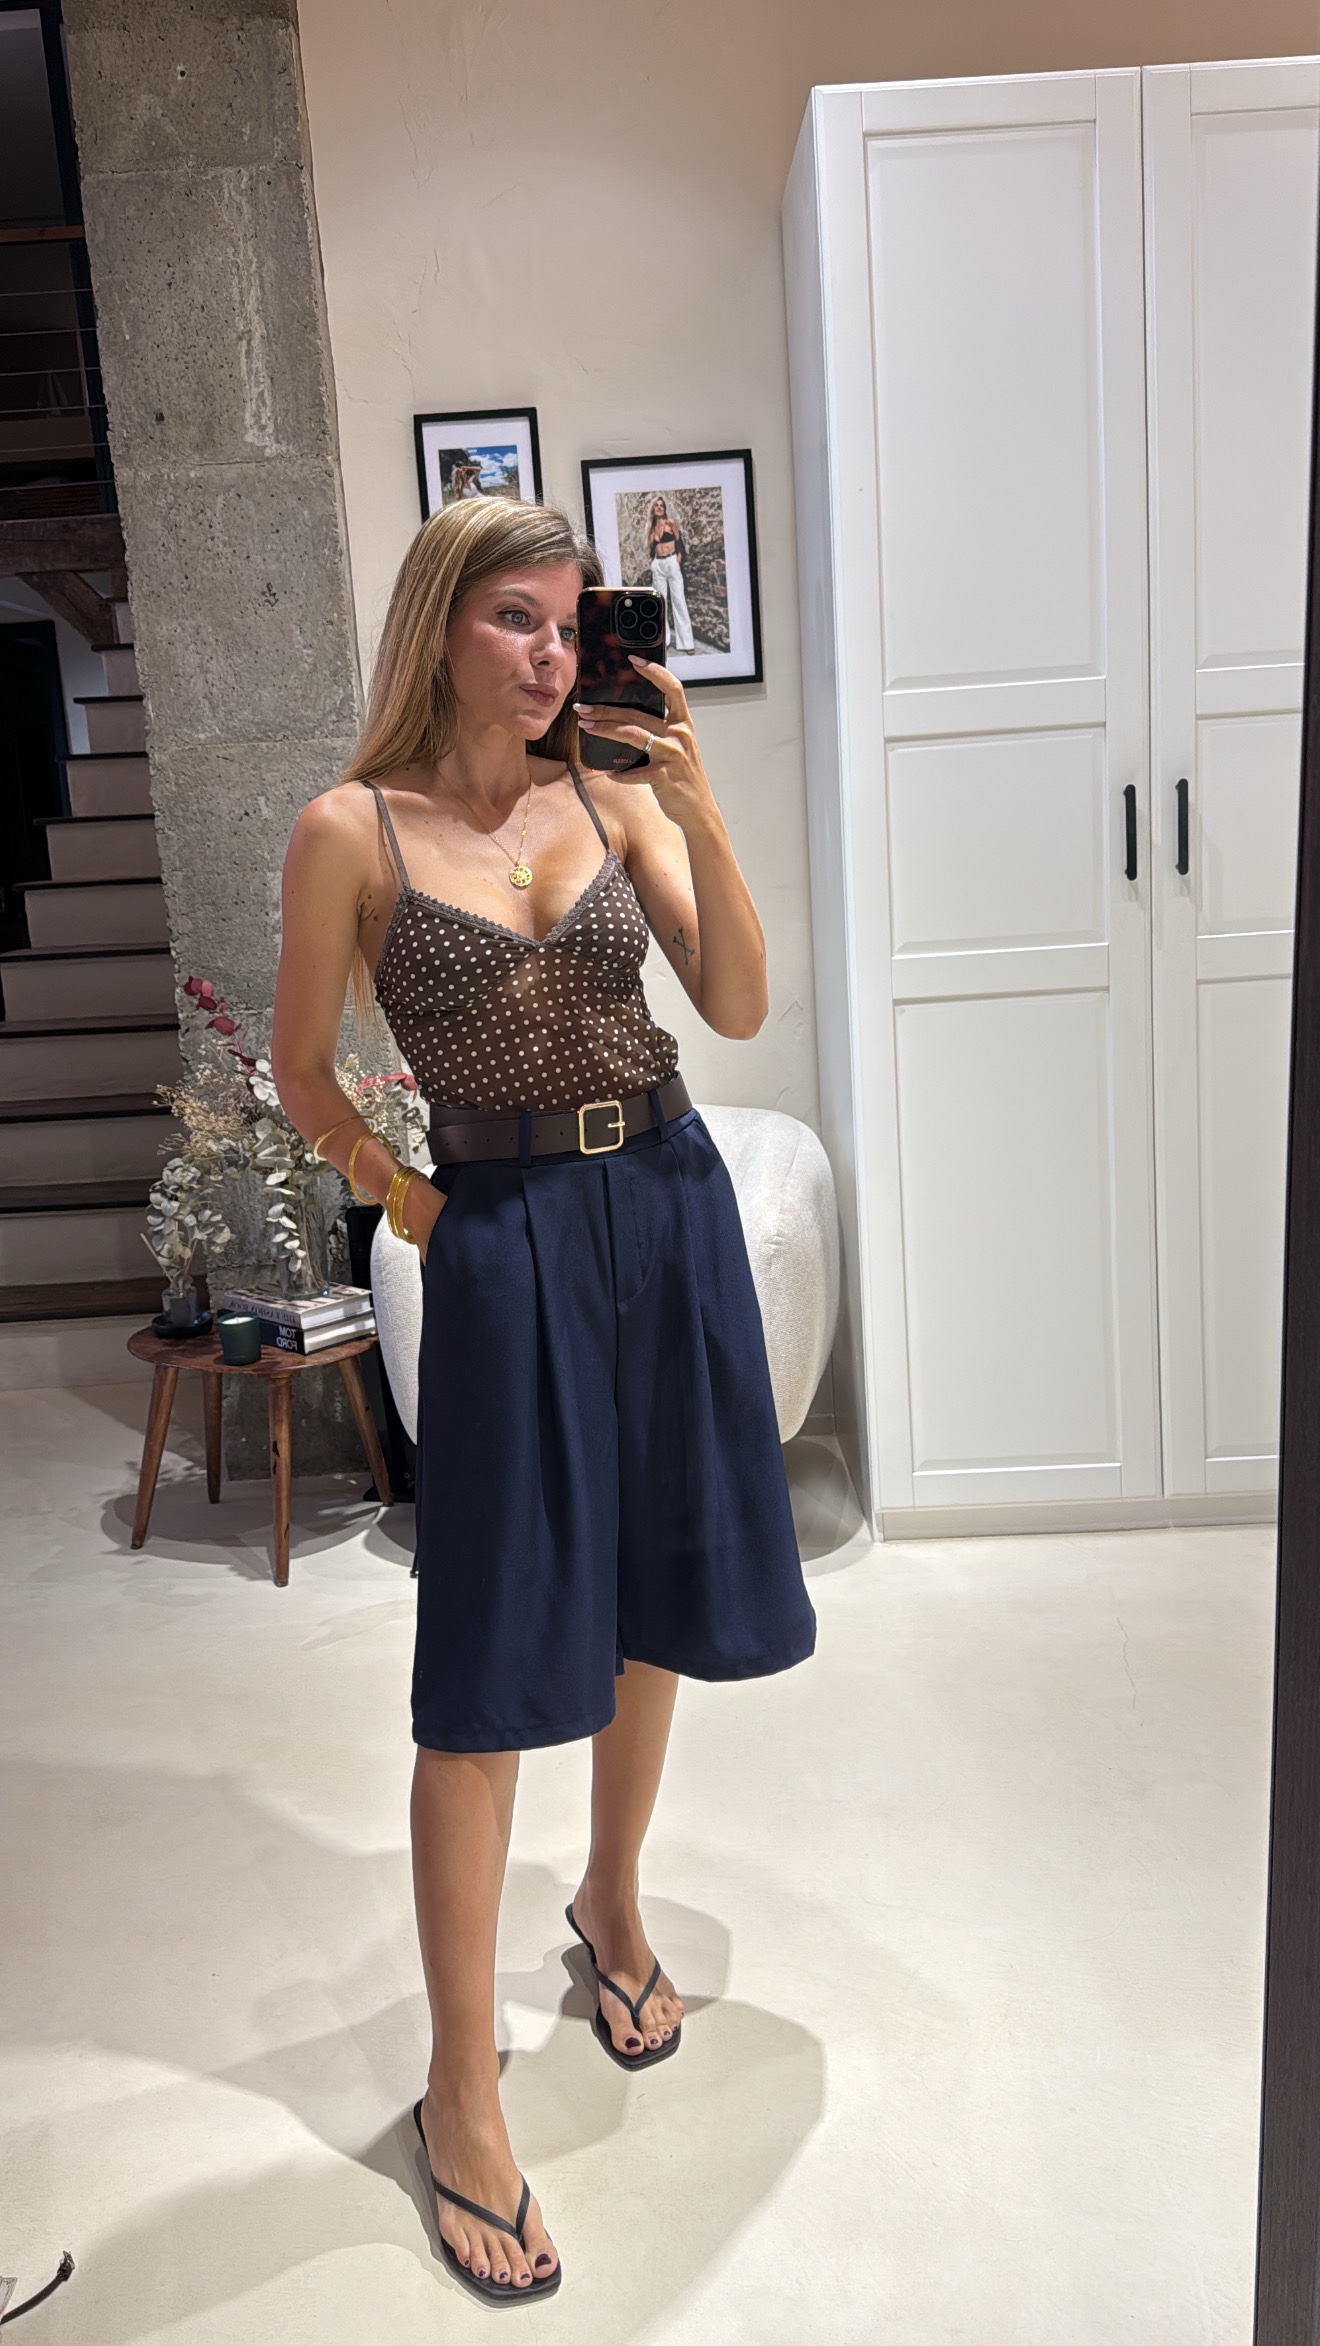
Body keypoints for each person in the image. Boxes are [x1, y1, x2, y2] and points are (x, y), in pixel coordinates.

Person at [270, 498, 815, 2305]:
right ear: (440, 624)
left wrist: (700, 805)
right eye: (518, 617)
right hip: (504, 1229)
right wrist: (414, 1203)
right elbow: (301, 1070)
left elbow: (737, 1002)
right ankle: (458, 2085)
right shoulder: (349, 831)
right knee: (492, 1655)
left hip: (667, 1203)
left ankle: (613, 1900)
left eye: (572, 624)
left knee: (653, 1596)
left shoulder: (616, 794)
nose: (553, 653)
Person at [647, 492, 696, 654]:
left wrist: (679, 556)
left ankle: (687, 643)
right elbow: (652, 547)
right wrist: (652, 562)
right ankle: (664, 641)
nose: (659, 508)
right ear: (653, 509)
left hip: (671, 561)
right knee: (661, 602)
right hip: (658, 564)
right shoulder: (651, 527)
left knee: (679, 600)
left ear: (665, 508)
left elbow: (679, 539)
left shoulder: (671, 523)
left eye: (661, 505)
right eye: (657, 505)